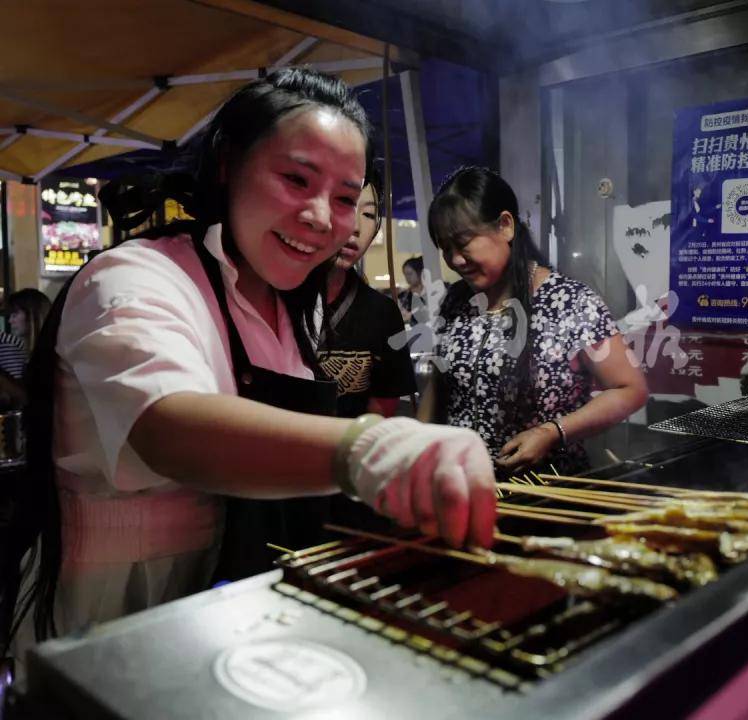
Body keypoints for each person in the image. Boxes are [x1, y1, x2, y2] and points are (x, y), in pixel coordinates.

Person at [1, 69, 495, 660]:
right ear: (227, 164)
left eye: (345, 198)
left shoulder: (291, 309)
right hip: (111, 614)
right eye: (295, 179)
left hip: (235, 608)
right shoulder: (136, 277)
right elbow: (169, 428)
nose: (321, 217)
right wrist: (370, 448)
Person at [418, 166, 648, 476]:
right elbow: (439, 383)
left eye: (463, 242)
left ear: (505, 226)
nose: (456, 260)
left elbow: (629, 389)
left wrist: (552, 432)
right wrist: (412, 450)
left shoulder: (571, 302)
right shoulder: (457, 300)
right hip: (461, 488)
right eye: (445, 248)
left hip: (545, 492)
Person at [319, 174, 415, 418]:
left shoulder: (382, 314)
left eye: (369, 215)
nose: (356, 227)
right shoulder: (274, 296)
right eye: (343, 203)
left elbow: (379, 417)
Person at [0, 289, 52, 407]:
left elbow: (31, 399)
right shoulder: (32, 353)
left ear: (32, 315)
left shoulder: (47, 354)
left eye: (15, 314)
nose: (10, 320)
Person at [398, 257, 428, 326]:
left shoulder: (433, 292)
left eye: (410, 274)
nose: (407, 278)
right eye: (405, 274)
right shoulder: (402, 297)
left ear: (419, 272)